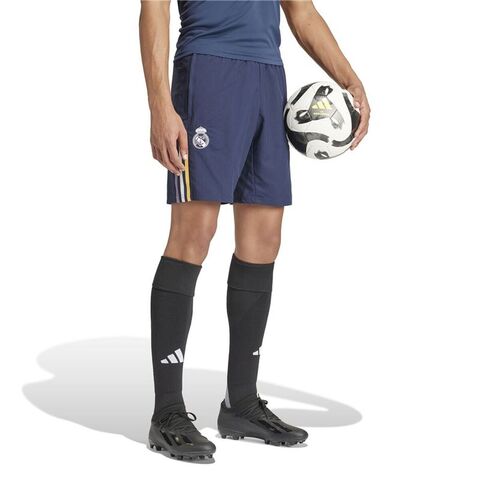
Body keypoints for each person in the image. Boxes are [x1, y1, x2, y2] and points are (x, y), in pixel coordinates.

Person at [139, 0, 370, 461]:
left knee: (263, 240)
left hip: (267, 76)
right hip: (207, 70)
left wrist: (350, 80)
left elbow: (302, 13)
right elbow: (154, 10)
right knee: (194, 233)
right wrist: (160, 105)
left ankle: (241, 403)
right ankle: (167, 412)